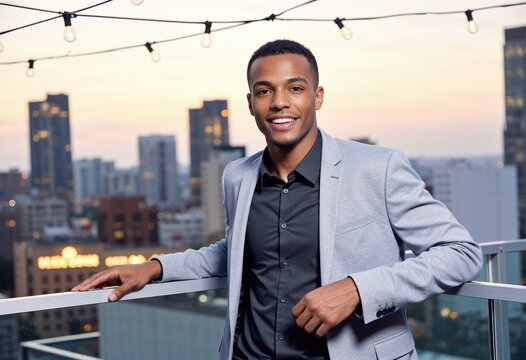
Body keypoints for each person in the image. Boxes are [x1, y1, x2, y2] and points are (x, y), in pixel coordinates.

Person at [73, 39, 483, 359]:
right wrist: (155, 267)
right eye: (264, 90)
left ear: (317, 97)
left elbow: (461, 253)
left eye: (295, 88)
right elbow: (233, 253)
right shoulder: (238, 175)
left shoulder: (378, 168)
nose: (280, 102)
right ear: (251, 102)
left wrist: (358, 289)